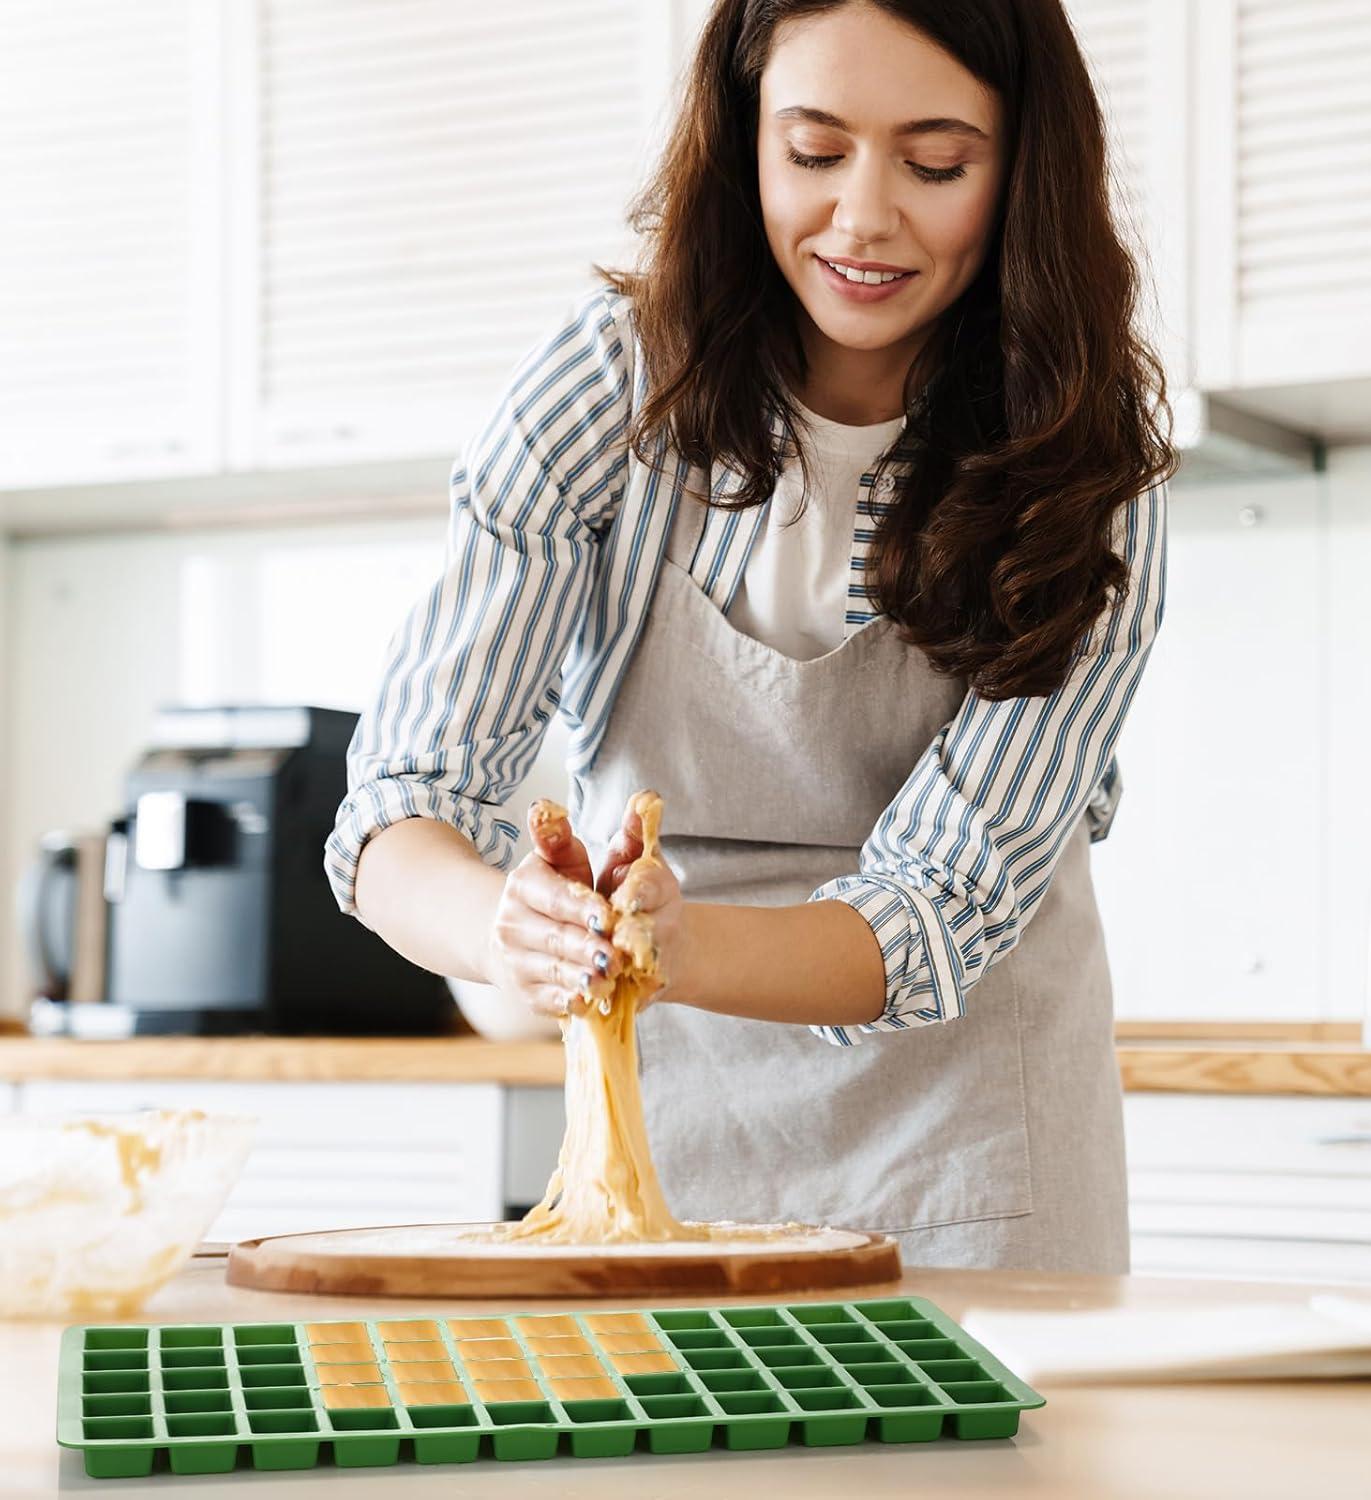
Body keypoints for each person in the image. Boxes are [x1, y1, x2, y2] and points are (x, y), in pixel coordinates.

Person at [326, 0, 1174, 1272]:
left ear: (1024, 172)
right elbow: (402, 804)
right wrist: (506, 927)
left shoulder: (1086, 466)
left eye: (936, 164)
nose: (864, 219)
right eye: (815, 152)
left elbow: (933, 910)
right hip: (667, 1146)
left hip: (978, 1158)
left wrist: (665, 941)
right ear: (744, 145)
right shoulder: (607, 394)